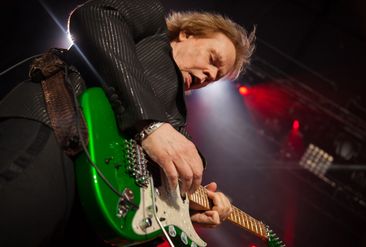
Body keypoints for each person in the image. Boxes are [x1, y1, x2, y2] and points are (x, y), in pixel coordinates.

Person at [0, 0, 255, 246]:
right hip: (58, 132)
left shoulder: (177, 119)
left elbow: (141, 205)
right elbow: (96, 14)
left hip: (89, 212)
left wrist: (184, 212)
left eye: (216, 77)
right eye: (213, 59)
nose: (210, 75)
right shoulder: (153, 28)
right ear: (188, 34)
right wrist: (150, 124)